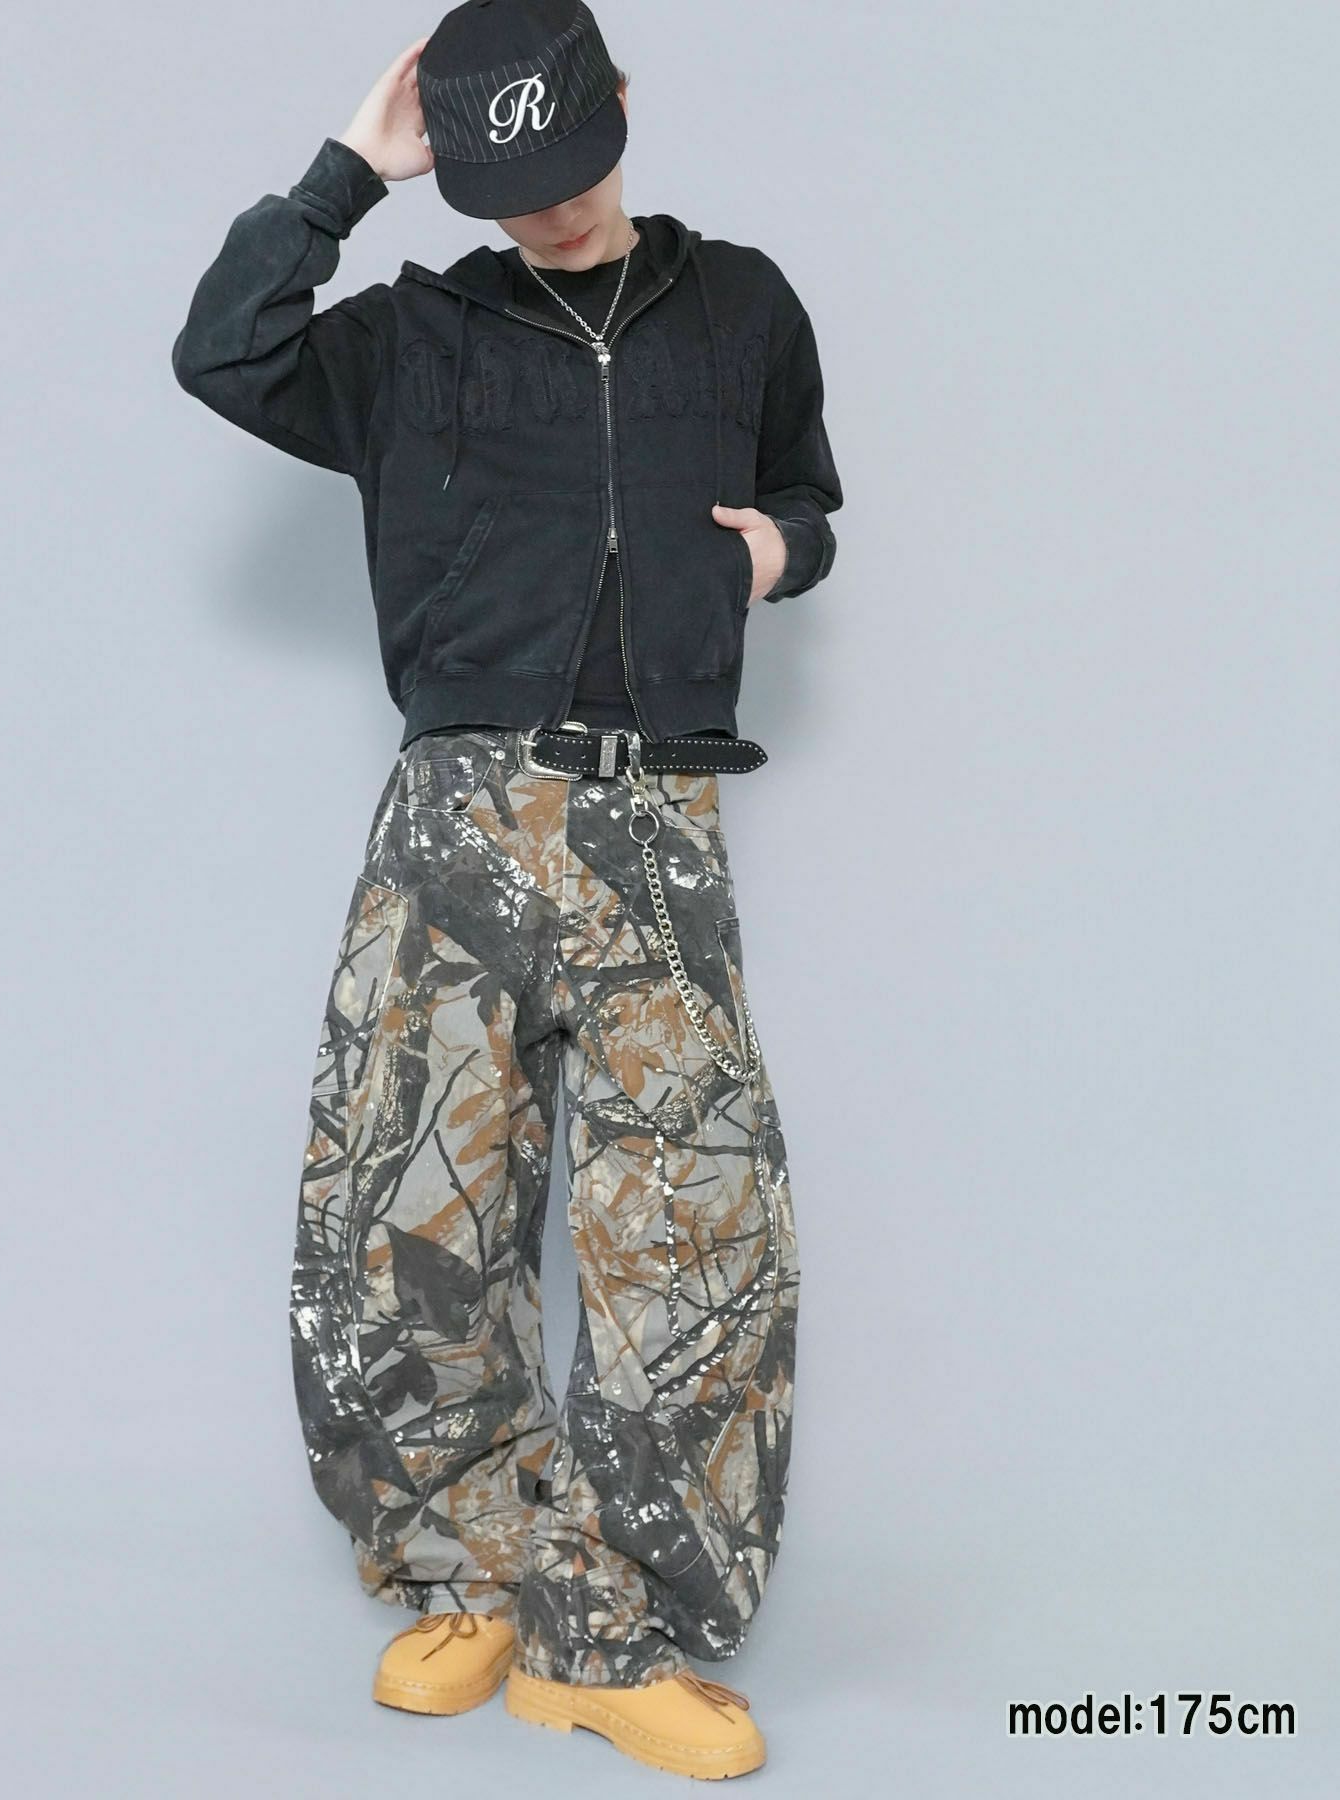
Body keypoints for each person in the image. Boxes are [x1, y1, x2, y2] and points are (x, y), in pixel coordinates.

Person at [171, 0, 842, 1779]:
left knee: (689, 1228)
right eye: (503, 187)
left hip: (657, 820)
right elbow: (225, 350)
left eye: (566, 167)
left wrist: (781, 552)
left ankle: (601, 1633)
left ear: (621, 102)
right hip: (457, 814)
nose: (544, 210)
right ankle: (461, 1572)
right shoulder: (415, 337)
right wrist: (349, 171)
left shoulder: (743, 306)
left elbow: (805, 491)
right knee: (415, 1206)